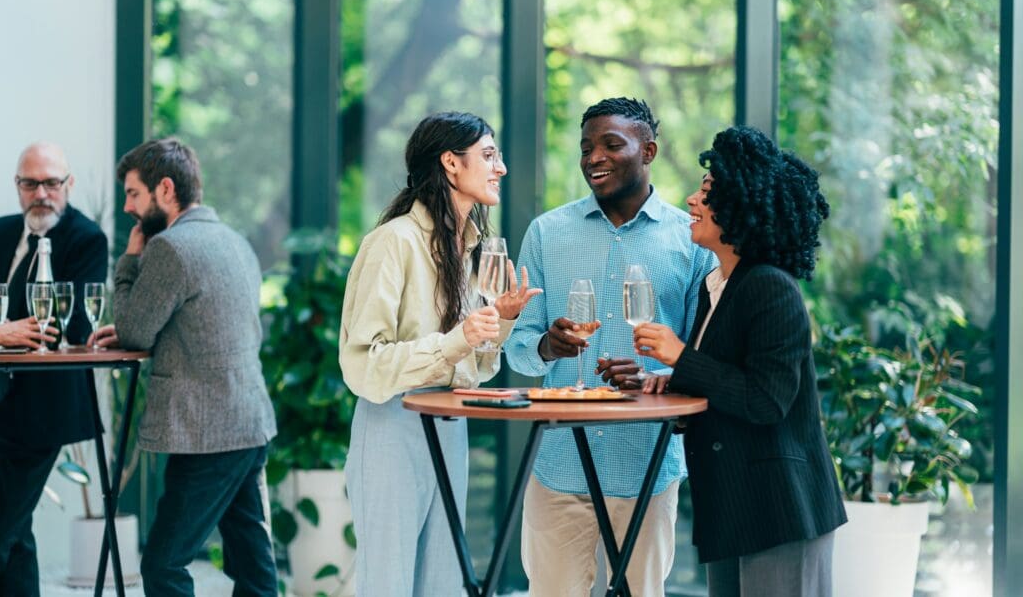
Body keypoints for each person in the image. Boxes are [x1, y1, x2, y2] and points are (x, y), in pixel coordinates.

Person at [504, 97, 717, 596]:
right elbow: (516, 349)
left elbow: (700, 356)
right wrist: (548, 348)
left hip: (648, 461)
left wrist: (657, 373)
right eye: (585, 148)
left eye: (610, 144)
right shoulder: (546, 233)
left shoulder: (690, 240)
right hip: (558, 464)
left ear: (649, 151)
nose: (593, 157)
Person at [634, 125, 847, 596]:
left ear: (740, 206)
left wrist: (682, 357)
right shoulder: (719, 289)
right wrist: (673, 380)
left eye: (706, 193)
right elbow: (728, 382)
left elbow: (767, 400)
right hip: (734, 508)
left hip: (779, 509)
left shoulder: (770, 286)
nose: (691, 200)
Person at [340, 111, 540, 596]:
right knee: (387, 584)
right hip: (393, 426)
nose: (502, 168)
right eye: (489, 155)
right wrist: (460, 338)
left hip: (451, 427)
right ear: (451, 163)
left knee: (443, 584)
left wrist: (501, 321)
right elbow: (363, 364)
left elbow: (477, 367)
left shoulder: (473, 250)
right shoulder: (393, 242)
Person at [90, 137, 278, 596]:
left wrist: (131, 259)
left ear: (166, 189)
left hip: (207, 434)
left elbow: (134, 330)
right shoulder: (234, 241)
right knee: (252, 564)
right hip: (247, 424)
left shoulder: (170, 248)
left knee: (163, 566)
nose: (129, 207)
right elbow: (199, 322)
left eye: (134, 194)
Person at [0, 142, 107, 596]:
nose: (41, 193)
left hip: (38, 412)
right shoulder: (3, 231)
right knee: (16, 532)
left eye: (51, 183)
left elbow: (67, 328)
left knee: (2, 526)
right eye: (30, 183)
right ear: (17, 186)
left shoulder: (85, 239)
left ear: (69, 184)